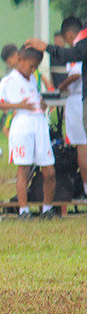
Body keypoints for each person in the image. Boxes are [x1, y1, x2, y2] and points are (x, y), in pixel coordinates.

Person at [0, 46, 57, 219]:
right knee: (24, 168)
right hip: (23, 126)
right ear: (20, 60)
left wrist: (43, 105)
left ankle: (47, 208)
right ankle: (23, 210)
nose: (32, 70)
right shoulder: (9, 80)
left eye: (35, 67)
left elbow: (36, 98)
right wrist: (18, 105)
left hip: (39, 124)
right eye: (30, 66)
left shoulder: (33, 79)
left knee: (49, 170)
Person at [54, 17, 87, 198]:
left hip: (77, 100)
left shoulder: (78, 48)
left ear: (69, 35)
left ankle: (85, 189)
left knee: (82, 146)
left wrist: (62, 85)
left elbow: (75, 74)